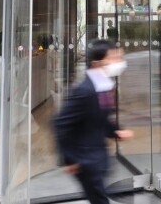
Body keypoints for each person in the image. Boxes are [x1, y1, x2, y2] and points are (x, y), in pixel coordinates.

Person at [52, 40, 133, 204]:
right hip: (86, 160)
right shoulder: (84, 90)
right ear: (97, 63)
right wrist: (69, 159)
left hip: (98, 156)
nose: (119, 62)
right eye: (114, 58)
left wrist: (116, 131)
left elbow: (99, 117)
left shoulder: (103, 87)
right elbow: (59, 123)